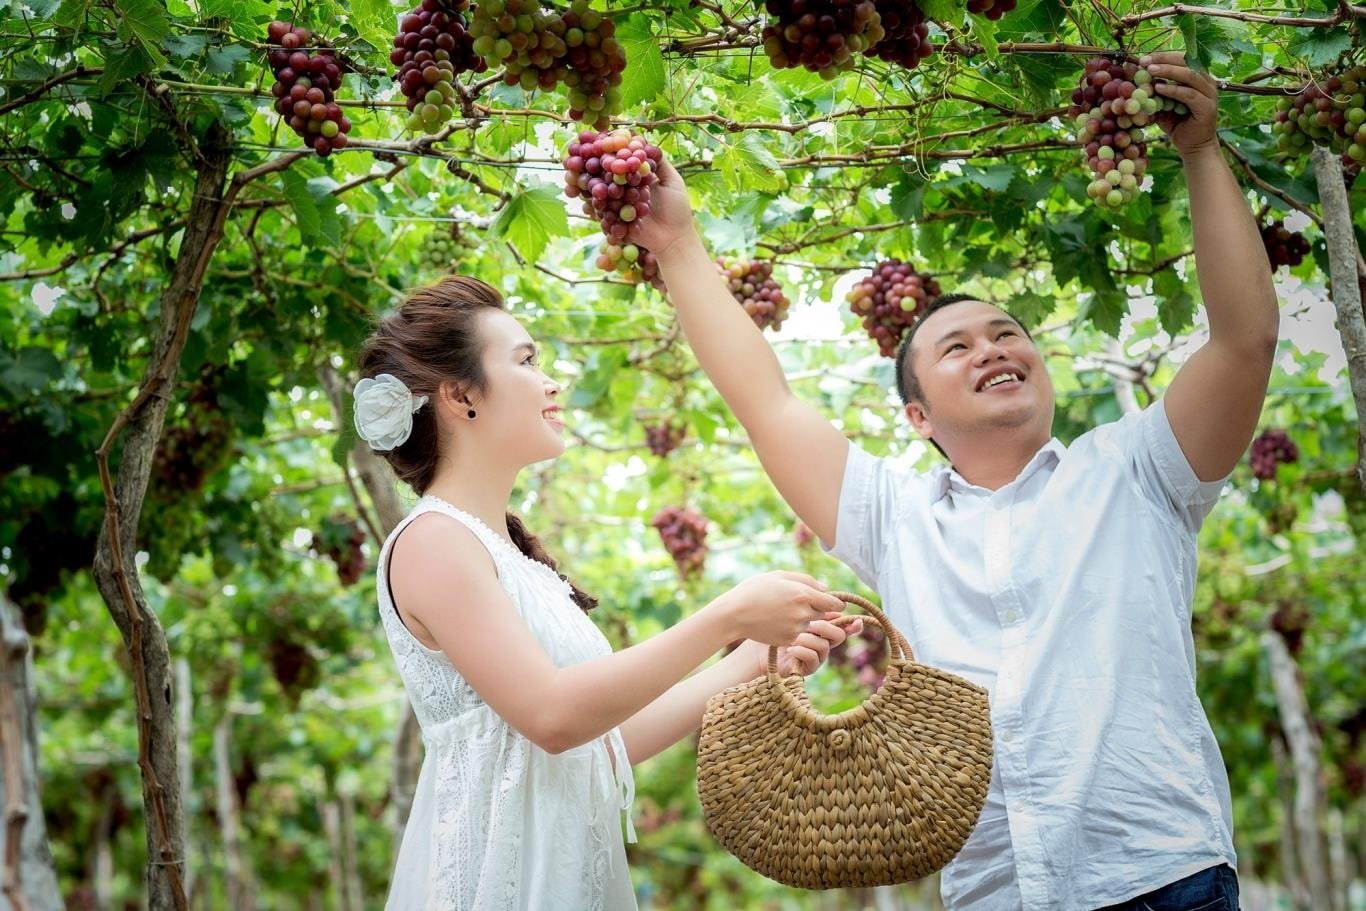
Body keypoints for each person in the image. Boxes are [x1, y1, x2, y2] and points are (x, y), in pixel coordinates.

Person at [629, 52, 1276, 910]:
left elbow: (1244, 342)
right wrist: (677, 245)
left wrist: (1201, 153)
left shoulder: (1139, 469)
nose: (995, 349)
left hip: (1163, 877)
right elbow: (766, 402)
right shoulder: (893, 519)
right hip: (994, 891)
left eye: (1008, 334)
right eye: (958, 347)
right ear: (919, 418)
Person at [353, 275, 860, 910]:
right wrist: (726, 613)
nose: (551, 382)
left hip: (564, 874)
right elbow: (554, 718)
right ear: (462, 396)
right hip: (497, 882)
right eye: (526, 360)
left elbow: (602, 746)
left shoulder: (507, 555)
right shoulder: (434, 540)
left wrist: (753, 659)